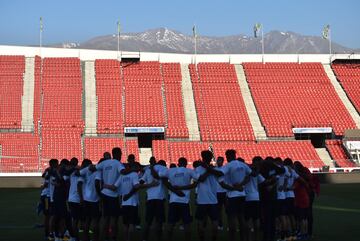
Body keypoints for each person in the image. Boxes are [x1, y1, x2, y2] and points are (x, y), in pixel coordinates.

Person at [158, 157, 200, 241]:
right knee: (186, 223)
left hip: (173, 200)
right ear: (186, 163)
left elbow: (160, 176)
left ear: (178, 163)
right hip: (184, 201)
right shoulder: (189, 171)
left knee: (170, 223)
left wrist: (174, 190)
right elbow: (196, 182)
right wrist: (182, 188)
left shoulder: (171, 170)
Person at [89, 147, 124, 241]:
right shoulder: (118, 163)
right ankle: (112, 237)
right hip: (113, 194)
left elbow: (92, 168)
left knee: (105, 218)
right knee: (113, 218)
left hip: (104, 193)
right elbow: (122, 172)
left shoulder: (104, 163)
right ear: (119, 154)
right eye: (121, 153)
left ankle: (104, 237)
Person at [219, 149, 251, 241]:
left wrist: (233, 188)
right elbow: (249, 176)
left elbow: (221, 181)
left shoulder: (228, 165)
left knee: (231, 218)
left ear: (228, 156)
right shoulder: (243, 164)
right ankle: (243, 238)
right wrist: (241, 185)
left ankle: (232, 238)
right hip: (242, 194)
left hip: (232, 196)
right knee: (241, 218)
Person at [194, 150, 223, 241]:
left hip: (202, 200)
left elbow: (201, 179)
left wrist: (208, 169)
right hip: (212, 200)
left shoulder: (198, 169)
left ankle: (202, 238)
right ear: (211, 158)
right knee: (214, 221)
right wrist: (209, 170)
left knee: (201, 221)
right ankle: (214, 238)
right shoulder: (214, 169)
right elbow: (202, 179)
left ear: (202, 157)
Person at [141, 159, 168, 241]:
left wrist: (149, 184)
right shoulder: (163, 168)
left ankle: (144, 239)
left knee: (148, 221)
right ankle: (158, 238)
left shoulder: (147, 170)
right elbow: (157, 176)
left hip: (150, 198)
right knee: (159, 221)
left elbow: (140, 182)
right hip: (159, 198)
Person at [78, 158, 101, 241]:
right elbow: (96, 184)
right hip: (95, 200)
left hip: (86, 199)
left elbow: (79, 184)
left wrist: (81, 198)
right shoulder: (97, 172)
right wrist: (100, 195)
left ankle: (86, 238)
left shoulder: (85, 172)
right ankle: (95, 239)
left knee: (87, 220)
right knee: (95, 221)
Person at [244, 156, 265, 241]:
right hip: (255, 198)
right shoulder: (257, 172)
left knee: (249, 220)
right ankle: (255, 238)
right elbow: (264, 182)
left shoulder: (246, 170)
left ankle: (249, 238)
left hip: (248, 197)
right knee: (256, 219)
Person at [215, 156, 227, 231]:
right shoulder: (214, 169)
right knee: (218, 210)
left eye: (220, 160)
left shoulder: (225, 168)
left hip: (225, 192)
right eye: (217, 160)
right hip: (217, 192)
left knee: (228, 210)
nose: (218, 161)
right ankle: (220, 224)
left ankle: (230, 225)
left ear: (222, 161)